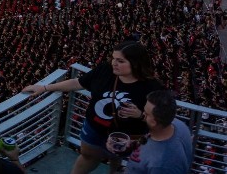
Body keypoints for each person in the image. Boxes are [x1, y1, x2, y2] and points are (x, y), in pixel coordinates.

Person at [22, 41, 163, 174]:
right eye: (113, 58)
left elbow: (161, 120)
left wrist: (140, 115)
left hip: (127, 136)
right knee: (88, 156)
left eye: (120, 61)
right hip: (94, 128)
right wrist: (45, 87)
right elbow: (77, 83)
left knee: (116, 158)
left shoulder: (152, 87)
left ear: (136, 64)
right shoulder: (105, 70)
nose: (114, 63)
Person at [127, 90, 193, 174]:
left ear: (154, 122)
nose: (142, 114)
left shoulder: (162, 165)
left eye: (146, 114)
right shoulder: (177, 124)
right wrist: (130, 144)